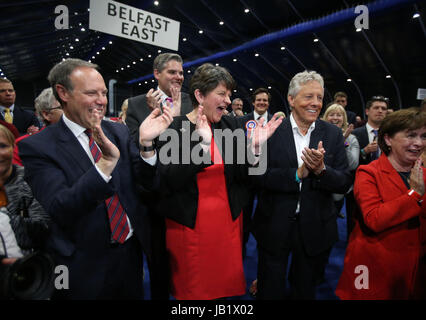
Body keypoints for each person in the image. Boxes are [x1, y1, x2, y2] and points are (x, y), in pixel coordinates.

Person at [18, 58, 173, 299]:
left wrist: (146, 146)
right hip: (82, 265)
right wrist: (104, 165)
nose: (101, 100)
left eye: (103, 92)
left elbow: (146, 184)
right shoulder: (37, 147)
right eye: (91, 93)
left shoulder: (118, 131)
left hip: (130, 256)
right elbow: (61, 207)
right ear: (63, 93)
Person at [155, 63, 282, 300]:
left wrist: (254, 150)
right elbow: (169, 180)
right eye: (222, 94)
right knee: (194, 292)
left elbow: (246, 177)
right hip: (189, 228)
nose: (228, 100)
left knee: (222, 290)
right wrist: (201, 146)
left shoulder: (231, 125)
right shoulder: (175, 127)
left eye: (229, 94)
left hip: (227, 227)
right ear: (200, 95)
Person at [253, 70, 352, 299]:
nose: (316, 103)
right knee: (270, 290)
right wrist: (297, 174)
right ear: (291, 99)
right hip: (274, 224)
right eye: (309, 97)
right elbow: (258, 177)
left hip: (315, 227)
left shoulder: (334, 134)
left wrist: (321, 171)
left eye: (319, 97)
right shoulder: (271, 130)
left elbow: (345, 181)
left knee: (305, 291)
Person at [336, 108, 426, 299]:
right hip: (374, 268)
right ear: (387, 139)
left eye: (423, 136)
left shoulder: (422, 174)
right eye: (411, 136)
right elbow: (374, 219)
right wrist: (414, 194)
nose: (419, 143)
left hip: (414, 270)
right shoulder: (368, 173)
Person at [0, 125, 49, 255]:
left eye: (2, 146)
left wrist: (4, 219)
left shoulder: (30, 179)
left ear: (13, 148)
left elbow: (42, 229)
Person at [126, 53, 193, 144]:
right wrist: (157, 117)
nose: (179, 77)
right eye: (172, 72)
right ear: (157, 74)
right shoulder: (135, 104)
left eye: (181, 73)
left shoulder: (193, 102)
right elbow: (134, 145)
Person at [323, 104, 359, 217]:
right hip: (319, 188)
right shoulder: (318, 135)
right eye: (331, 114)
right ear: (325, 117)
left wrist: (343, 141)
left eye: (339, 115)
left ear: (344, 119)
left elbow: (353, 164)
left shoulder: (351, 139)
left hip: (338, 191)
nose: (335, 118)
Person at [13, 88, 63, 166]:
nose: (73, 111)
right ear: (46, 114)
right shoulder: (22, 146)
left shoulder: (87, 137)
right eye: (63, 107)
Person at [352, 96, 388, 166]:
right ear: (367, 111)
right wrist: (364, 151)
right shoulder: (355, 134)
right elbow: (348, 160)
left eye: (383, 109)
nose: (380, 111)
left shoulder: (391, 135)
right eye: (376, 108)